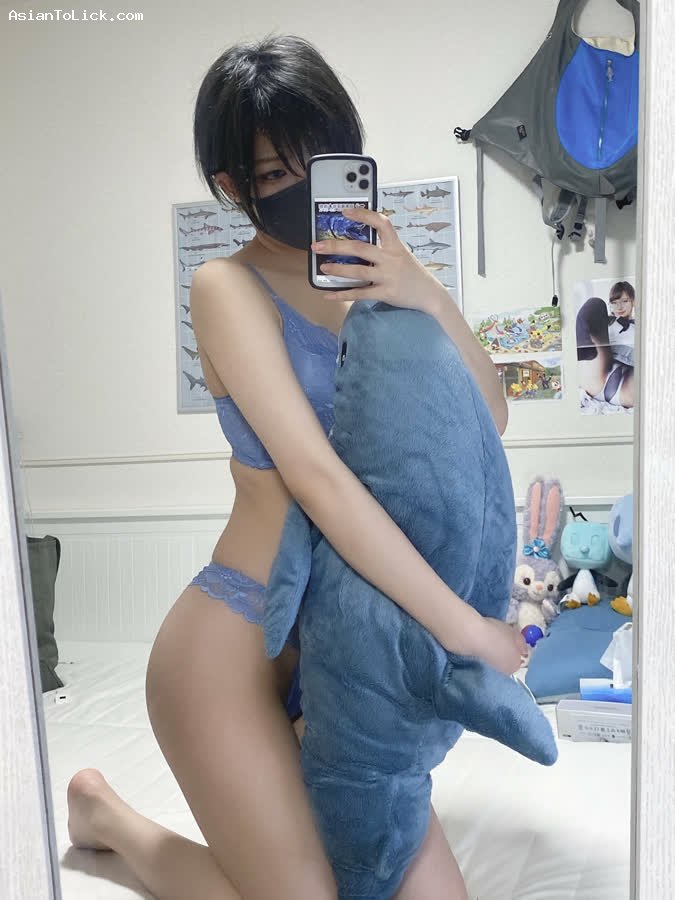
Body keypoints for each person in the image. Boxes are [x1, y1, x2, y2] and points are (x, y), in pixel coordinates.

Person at [66, 34, 525, 900]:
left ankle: (115, 817)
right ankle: (112, 821)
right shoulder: (224, 286)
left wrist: (421, 289)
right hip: (232, 645)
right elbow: (314, 479)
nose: (307, 186)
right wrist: (467, 631)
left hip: (346, 650)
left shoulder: (382, 286)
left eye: (324, 159)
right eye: (278, 172)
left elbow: (487, 419)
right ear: (232, 185)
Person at [577, 280, 636, 410]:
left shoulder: (641, 325)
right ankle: (583, 350)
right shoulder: (605, 323)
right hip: (597, 373)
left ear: (633, 301)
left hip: (626, 384)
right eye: (614, 303)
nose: (619, 307)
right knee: (595, 303)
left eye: (624, 301)